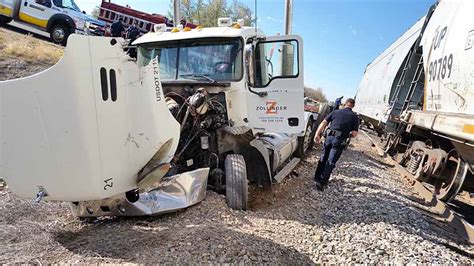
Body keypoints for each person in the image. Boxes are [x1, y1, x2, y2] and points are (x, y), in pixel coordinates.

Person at [313, 98, 359, 191]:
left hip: (329, 138)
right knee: (331, 161)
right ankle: (322, 183)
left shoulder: (335, 112)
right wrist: (346, 135)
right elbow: (354, 134)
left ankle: (317, 177)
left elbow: (324, 123)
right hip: (339, 140)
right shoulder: (354, 117)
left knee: (323, 157)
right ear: (353, 106)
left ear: (344, 104)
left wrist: (317, 134)